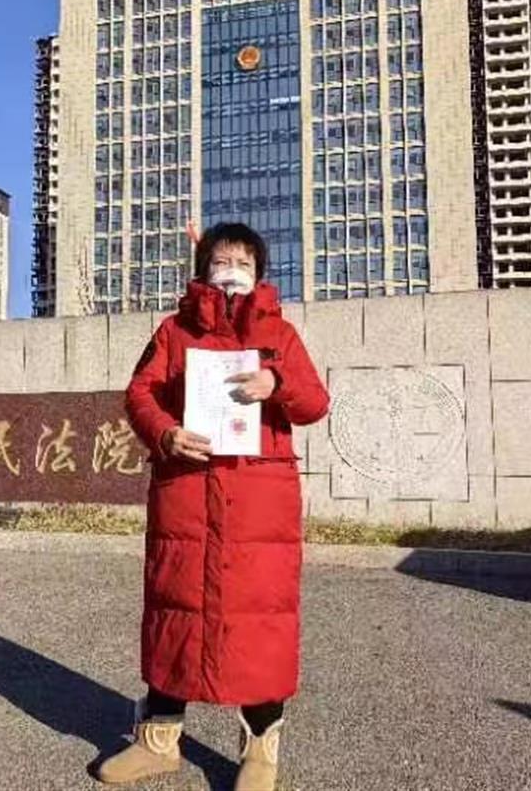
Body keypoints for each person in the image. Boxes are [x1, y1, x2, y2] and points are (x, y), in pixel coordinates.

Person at [97, 223, 330, 791]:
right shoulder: (174, 331)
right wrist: (166, 433)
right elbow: (140, 394)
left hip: (259, 505)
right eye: (221, 261)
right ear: (203, 270)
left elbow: (315, 403)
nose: (232, 272)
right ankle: (157, 742)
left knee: (262, 621)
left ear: (260, 273)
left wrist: (276, 382)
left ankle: (261, 753)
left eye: (243, 263)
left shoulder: (280, 333)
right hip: (187, 494)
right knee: (175, 613)